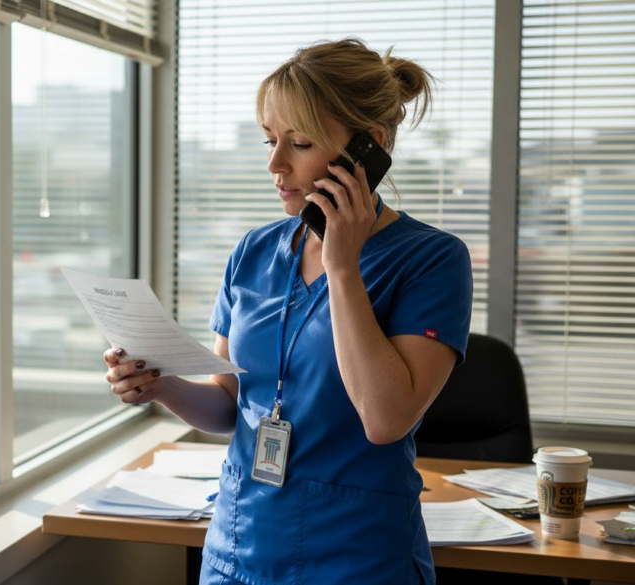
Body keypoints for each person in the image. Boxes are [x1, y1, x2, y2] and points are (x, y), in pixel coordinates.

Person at [103, 38, 472, 584]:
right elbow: (229, 406)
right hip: (237, 550)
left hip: (358, 559)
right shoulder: (254, 251)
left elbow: (386, 419)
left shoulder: (433, 260)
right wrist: (160, 385)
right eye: (270, 140)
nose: (275, 164)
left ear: (367, 148)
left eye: (298, 143)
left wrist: (343, 267)